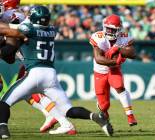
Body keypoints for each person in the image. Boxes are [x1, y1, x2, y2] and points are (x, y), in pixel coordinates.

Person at [0, 6, 113, 139]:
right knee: (68, 110)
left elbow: (11, 32)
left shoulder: (28, 29)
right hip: (51, 75)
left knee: (4, 103)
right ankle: (96, 117)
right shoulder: (52, 30)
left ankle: (3, 131)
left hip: (34, 73)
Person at [89, 14, 137, 126]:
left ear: (119, 30)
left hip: (114, 70)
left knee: (119, 86)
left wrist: (118, 48)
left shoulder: (124, 37)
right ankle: (104, 113)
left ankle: (130, 116)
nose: (109, 31)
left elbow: (133, 54)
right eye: (108, 28)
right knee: (104, 105)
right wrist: (115, 62)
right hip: (100, 71)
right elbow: (98, 59)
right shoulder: (98, 37)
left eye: (113, 29)